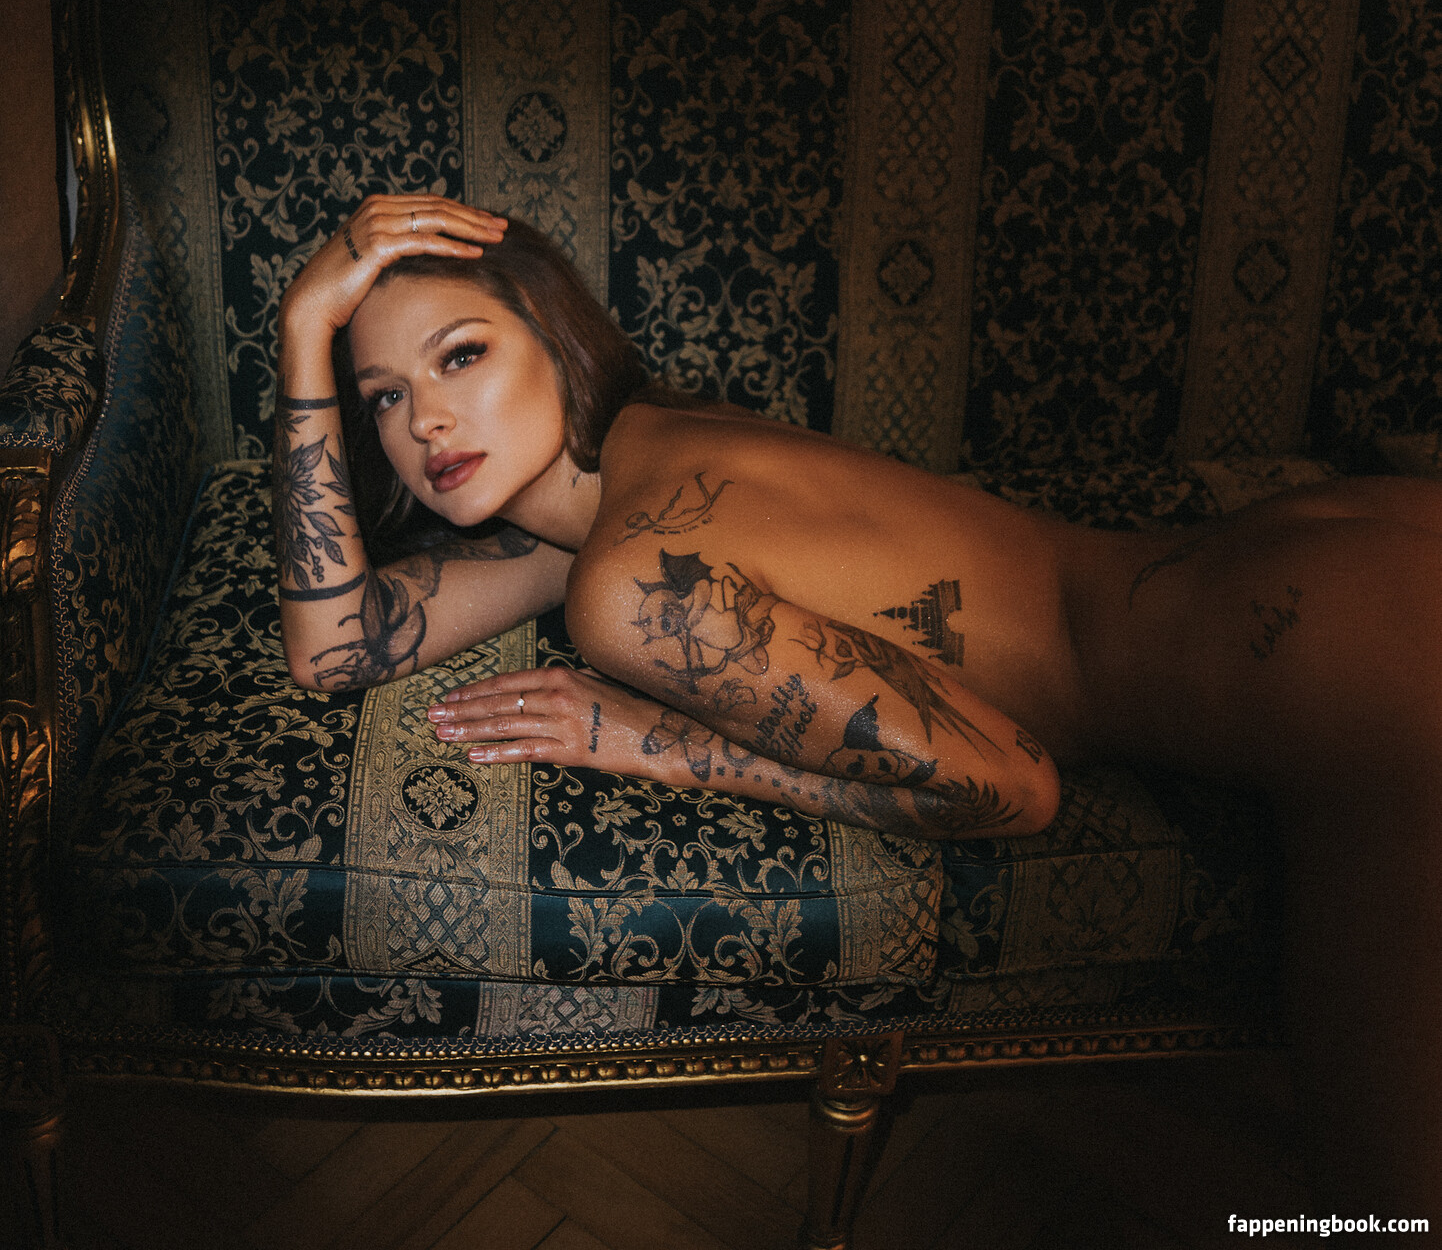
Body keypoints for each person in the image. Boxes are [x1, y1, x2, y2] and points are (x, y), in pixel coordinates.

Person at [275, 193, 1442, 1217]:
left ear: (553, 333)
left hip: (1333, 663)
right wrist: (301, 329)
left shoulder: (630, 582)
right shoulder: (642, 456)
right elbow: (334, 647)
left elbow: (1012, 789)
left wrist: (652, 740)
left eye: (460, 356)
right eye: (381, 397)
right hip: (1339, 550)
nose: (423, 423)